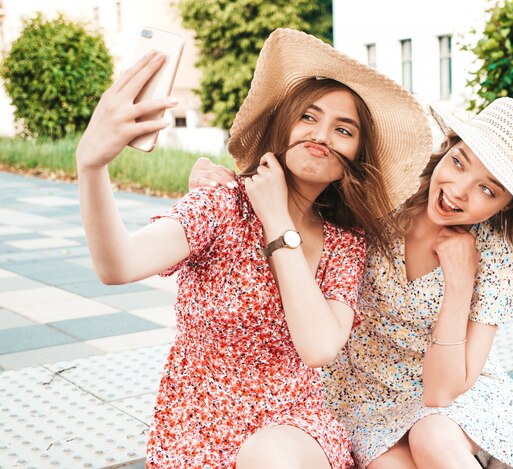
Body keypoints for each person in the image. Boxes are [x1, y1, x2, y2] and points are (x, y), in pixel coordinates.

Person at [76, 28, 431, 469]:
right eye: (308, 117)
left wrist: (278, 222)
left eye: (343, 129)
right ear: (282, 126)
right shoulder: (222, 205)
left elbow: (319, 346)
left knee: (272, 456)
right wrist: (92, 165)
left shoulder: (344, 242)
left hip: (293, 428)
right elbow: (119, 265)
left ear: (355, 157)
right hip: (195, 429)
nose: (321, 135)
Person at [189, 97, 513, 469]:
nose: (459, 189)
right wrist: (222, 186)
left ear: (508, 205)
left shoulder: (494, 257)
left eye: (487, 189)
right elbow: (296, 198)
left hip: (456, 403)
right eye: (458, 162)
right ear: (447, 149)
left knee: (431, 435)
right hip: (365, 397)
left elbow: (441, 392)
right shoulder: (379, 207)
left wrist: (460, 282)